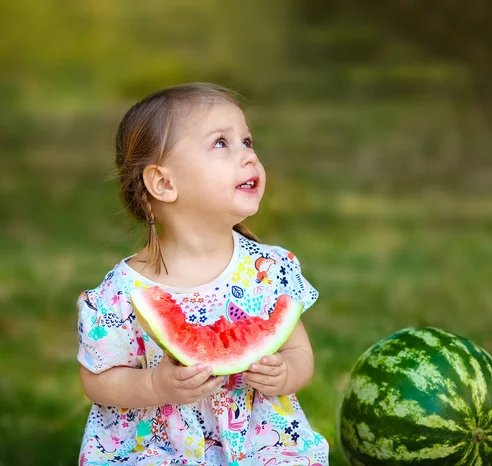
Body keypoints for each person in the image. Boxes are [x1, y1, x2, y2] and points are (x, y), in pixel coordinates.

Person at [76, 83, 329, 465]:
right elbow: (97, 380)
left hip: (259, 445)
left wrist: (286, 374)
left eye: (247, 141)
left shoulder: (267, 269)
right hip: (160, 450)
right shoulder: (122, 293)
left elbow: (298, 352)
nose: (248, 156)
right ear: (163, 183)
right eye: (221, 144)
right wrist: (153, 384)